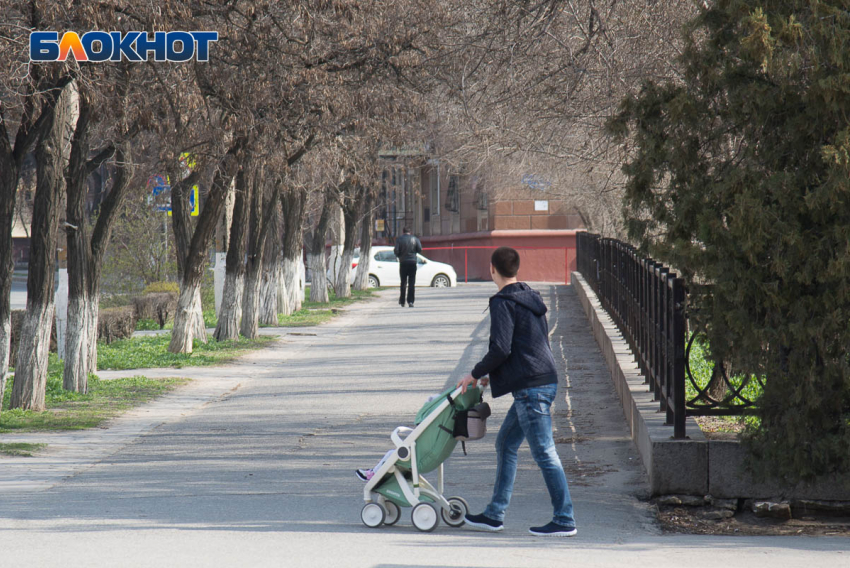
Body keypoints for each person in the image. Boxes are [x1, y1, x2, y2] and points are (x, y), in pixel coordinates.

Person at [456, 246, 577, 537]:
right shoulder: (530, 296)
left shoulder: (503, 302)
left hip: (531, 389)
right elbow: (523, 346)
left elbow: (501, 348)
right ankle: (494, 514)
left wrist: (474, 373)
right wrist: (491, 377)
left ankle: (564, 518)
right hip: (542, 380)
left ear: (492, 269)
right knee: (506, 445)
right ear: (516, 269)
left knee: (545, 452)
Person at [393, 227, 422, 308]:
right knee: (412, 282)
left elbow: (396, 251)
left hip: (403, 263)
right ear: (410, 231)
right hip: (412, 262)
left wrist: (400, 256)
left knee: (403, 282)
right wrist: (413, 253)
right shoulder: (415, 239)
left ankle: (402, 301)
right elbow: (419, 249)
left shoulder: (399, 239)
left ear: (403, 232)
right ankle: (411, 301)